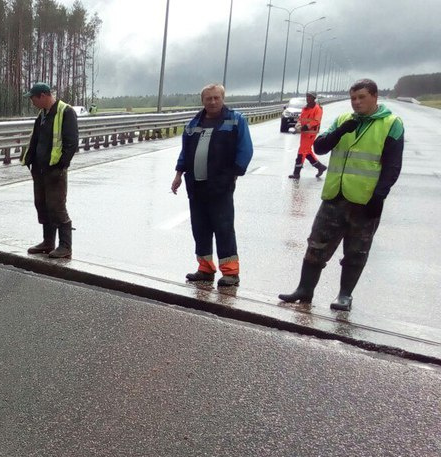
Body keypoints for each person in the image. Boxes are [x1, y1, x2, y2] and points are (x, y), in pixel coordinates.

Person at [278, 78, 404, 312]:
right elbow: (320, 147)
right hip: (335, 195)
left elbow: (392, 166)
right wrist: (340, 131)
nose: (356, 103)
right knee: (316, 245)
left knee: (356, 251)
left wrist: (380, 195)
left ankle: (344, 296)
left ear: (374, 97)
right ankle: (304, 290)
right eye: (353, 98)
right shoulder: (344, 120)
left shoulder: (391, 124)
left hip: (365, 201)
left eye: (361, 98)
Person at [170, 83, 253, 287]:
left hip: (220, 185)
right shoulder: (193, 124)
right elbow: (185, 152)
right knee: (200, 228)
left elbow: (246, 149)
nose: (213, 101)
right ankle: (205, 268)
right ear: (203, 101)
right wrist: (178, 175)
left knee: (223, 227)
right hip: (196, 185)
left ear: (223, 98)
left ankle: (231, 272)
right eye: (209, 98)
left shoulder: (235, 121)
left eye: (216, 98)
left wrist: (233, 174)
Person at [22, 82, 78, 259]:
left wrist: (62, 165)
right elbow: (36, 140)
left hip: (54, 170)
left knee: (57, 207)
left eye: (33, 98)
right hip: (39, 169)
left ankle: (65, 246)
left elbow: (72, 143)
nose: (32, 102)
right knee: (42, 205)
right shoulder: (43, 115)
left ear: (43, 96)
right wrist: (30, 160)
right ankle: (48, 242)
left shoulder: (65, 112)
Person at [289, 92, 328, 180]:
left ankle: (296, 173)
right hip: (304, 133)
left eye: (309, 97)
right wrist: (298, 125)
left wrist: (305, 127)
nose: (307, 98)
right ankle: (320, 167)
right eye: (307, 97)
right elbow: (301, 118)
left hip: (310, 133)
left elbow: (316, 121)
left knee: (301, 152)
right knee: (307, 151)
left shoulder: (317, 109)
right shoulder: (305, 108)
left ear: (314, 98)